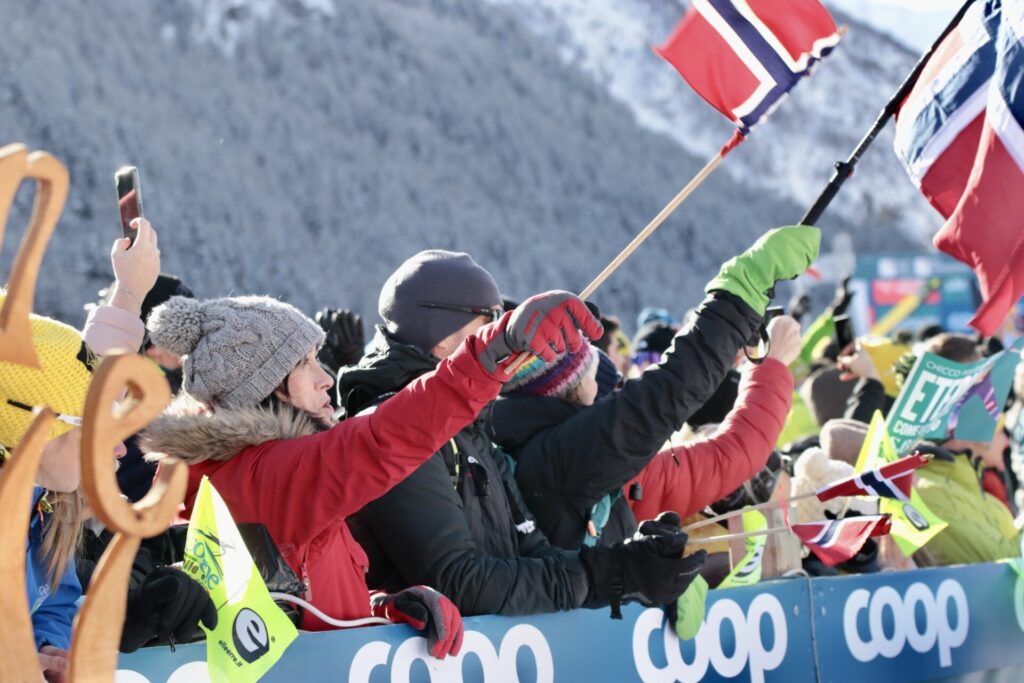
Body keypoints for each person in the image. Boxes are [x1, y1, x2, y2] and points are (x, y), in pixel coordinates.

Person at [340, 226, 818, 616]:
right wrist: (739, 298)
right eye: (486, 328)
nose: (498, 346)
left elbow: (532, 554)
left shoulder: (474, 431)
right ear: (442, 339)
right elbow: (460, 581)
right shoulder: (401, 433)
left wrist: (626, 573)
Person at [140, 286, 606, 653]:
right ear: (265, 388)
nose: (326, 377)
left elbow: (296, 601)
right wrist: (494, 350)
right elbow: (384, 438)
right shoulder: (266, 474)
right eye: (304, 365)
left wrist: (379, 613)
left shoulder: (254, 473)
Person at [492, 306, 800, 549]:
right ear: (576, 389)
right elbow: (734, 454)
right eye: (591, 371)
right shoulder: (605, 460)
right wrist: (771, 364)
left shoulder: (499, 445)